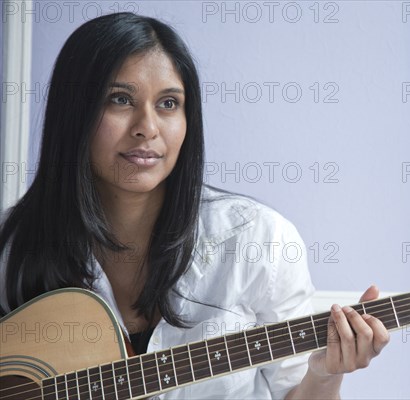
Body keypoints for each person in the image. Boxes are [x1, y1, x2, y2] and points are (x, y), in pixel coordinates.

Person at [0, 12, 389, 399]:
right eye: (120, 100)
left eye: (168, 103)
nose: (147, 127)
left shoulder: (259, 241)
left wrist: (324, 376)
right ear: (74, 113)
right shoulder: (11, 247)